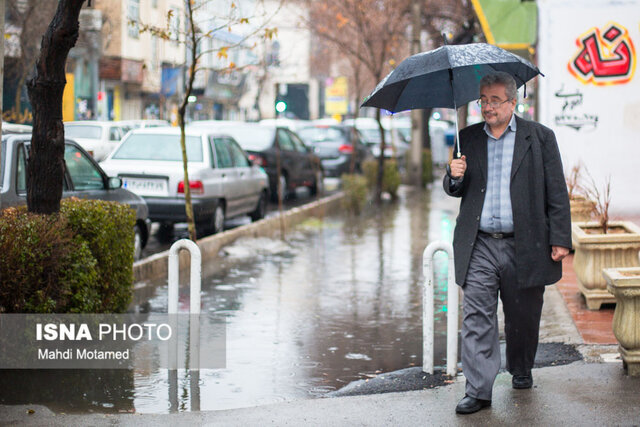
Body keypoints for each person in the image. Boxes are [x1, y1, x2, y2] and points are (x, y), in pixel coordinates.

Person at [443, 72, 572, 415]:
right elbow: (455, 189)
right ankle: (479, 389)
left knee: (522, 316)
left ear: (514, 102)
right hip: (480, 243)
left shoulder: (540, 138)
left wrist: (560, 238)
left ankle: (521, 367)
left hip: (525, 243)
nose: (487, 106)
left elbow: (557, 191)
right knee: (476, 316)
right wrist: (453, 177)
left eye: (495, 100)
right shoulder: (467, 139)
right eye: (483, 100)